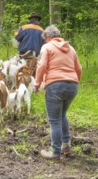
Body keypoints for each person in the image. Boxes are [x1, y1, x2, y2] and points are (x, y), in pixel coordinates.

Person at [34, 25, 82, 159]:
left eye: (45, 39)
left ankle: (55, 152)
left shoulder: (47, 47)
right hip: (72, 85)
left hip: (55, 85)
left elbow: (42, 65)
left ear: (48, 37)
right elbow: (79, 68)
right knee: (62, 115)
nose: (45, 41)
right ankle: (66, 145)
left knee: (54, 120)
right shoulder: (71, 49)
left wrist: (37, 84)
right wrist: (74, 81)